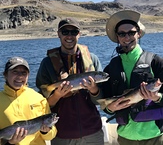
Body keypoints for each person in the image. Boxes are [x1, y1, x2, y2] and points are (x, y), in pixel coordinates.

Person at [36, 17, 104, 145]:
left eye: (73, 32)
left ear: (79, 34)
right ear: (58, 34)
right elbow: (43, 105)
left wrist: (94, 90)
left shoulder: (92, 59)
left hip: (92, 132)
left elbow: (100, 100)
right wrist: (57, 95)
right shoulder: (47, 63)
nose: (69, 36)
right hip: (62, 134)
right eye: (65, 32)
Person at [100, 10, 163, 145]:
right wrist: (111, 108)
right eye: (122, 34)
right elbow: (105, 104)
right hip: (125, 138)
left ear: (139, 33)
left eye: (131, 32)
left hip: (155, 137)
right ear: (117, 37)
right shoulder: (110, 68)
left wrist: (157, 98)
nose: (127, 37)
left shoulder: (156, 62)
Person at [0, 56, 57, 145]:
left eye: (24, 73)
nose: (20, 76)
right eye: (15, 71)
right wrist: (11, 143)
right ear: (5, 75)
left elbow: (52, 134)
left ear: (28, 76)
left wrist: (46, 132)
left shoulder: (39, 98)